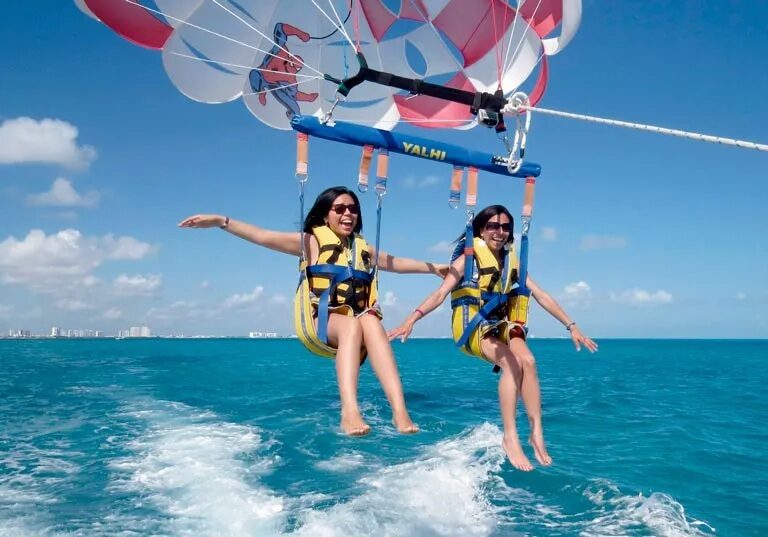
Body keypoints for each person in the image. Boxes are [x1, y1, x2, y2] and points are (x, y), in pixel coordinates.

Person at [179, 186, 447, 437]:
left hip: (359, 327)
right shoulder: (311, 241)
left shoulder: (362, 248)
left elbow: (396, 262)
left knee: (372, 321)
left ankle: (400, 411)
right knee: (352, 324)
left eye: (353, 209)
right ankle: (349, 411)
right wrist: (220, 221)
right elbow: (262, 236)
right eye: (339, 208)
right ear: (325, 214)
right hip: (321, 323)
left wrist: (433, 268)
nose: (347, 214)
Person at [388, 205, 598, 470]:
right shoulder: (468, 259)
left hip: (499, 323)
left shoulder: (512, 261)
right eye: (493, 226)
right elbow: (440, 293)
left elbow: (542, 295)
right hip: (473, 328)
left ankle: (536, 434)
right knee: (512, 363)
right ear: (481, 229)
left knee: (528, 362)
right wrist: (411, 319)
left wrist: (571, 325)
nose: (500, 232)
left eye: (505, 227)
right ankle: (510, 437)